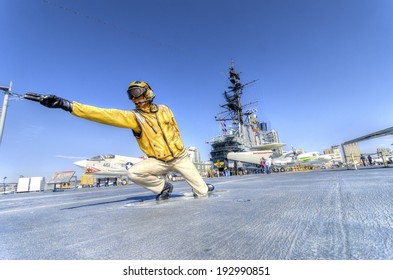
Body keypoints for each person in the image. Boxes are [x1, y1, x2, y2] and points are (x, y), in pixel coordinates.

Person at [25, 80, 214, 200]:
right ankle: (164, 186)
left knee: (202, 194)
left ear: (147, 92)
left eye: (137, 93)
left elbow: (175, 129)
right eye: (130, 95)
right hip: (158, 161)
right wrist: (67, 105)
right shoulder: (134, 118)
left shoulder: (165, 109)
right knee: (134, 173)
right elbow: (103, 114)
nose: (133, 98)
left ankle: (203, 185)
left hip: (180, 158)